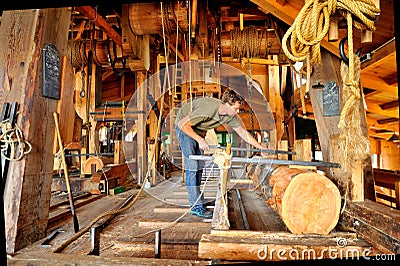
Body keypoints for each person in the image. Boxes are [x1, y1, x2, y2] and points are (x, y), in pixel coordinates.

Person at [175, 88, 266, 218]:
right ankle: (195, 206)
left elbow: (243, 133)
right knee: (192, 168)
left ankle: (198, 201)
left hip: (198, 129)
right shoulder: (209, 109)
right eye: (236, 108)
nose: (238, 112)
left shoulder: (229, 116)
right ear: (227, 105)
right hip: (185, 128)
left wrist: (260, 147)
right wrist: (200, 140)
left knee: (199, 168)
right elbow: (182, 124)